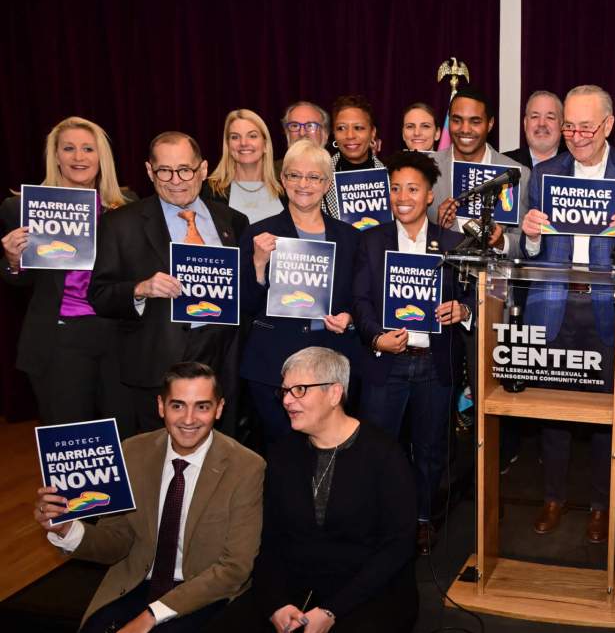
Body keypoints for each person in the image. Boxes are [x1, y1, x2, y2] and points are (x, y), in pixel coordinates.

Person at [187, 347, 417, 633]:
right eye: (284, 391)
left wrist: (330, 611)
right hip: (295, 584)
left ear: (334, 393)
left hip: (370, 590)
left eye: (300, 390)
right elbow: (271, 541)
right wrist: (276, 604)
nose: (287, 401)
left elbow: (398, 548)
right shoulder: (282, 454)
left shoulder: (384, 455)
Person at [34, 362, 264, 633]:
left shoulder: (247, 466)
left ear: (219, 408)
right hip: (139, 579)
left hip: (203, 590)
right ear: (160, 406)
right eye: (177, 405)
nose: (189, 418)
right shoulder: (133, 451)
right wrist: (67, 529)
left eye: (201, 406)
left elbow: (234, 568)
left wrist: (148, 618)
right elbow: (118, 538)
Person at [520, 83, 615, 541]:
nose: (575, 136)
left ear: (609, 125)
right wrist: (531, 233)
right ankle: (553, 498)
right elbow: (531, 252)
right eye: (568, 126)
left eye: (585, 127)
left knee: (606, 412)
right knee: (552, 412)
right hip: (554, 305)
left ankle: (600, 504)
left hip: (607, 308)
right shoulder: (545, 173)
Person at [88, 131, 249, 436]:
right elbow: (99, 294)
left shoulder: (232, 221)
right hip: (159, 364)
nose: (176, 179)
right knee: (159, 461)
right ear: (150, 171)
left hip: (222, 359)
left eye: (185, 169)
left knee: (217, 457)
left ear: (202, 169)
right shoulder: (120, 224)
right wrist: (140, 289)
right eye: (164, 170)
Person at [353, 150, 470, 554]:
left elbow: (474, 297)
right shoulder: (370, 241)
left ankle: (422, 520)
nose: (403, 196)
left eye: (413, 189)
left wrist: (464, 310)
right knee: (378, 447)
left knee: (431, 449)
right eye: (396, 188)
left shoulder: (453, 244)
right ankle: (379, 519)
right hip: (386, 363)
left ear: (430, 195)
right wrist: (374, 338)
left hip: (434, 366)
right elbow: (361, 301)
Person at [1, 116, 133, 425]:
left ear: (101, 157)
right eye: (69, 148)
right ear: (56, 156)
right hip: (60, 338)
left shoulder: (126, 206)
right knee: (69, 443)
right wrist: (13, 259)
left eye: (88, 149)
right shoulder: (23, 207)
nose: (78, 157)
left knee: (124, 438)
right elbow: (20, 280)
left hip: (116, 336)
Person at [238, 140, 362, 446]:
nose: (303, 184)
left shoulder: (351, 238)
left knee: (329, 453)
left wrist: (351, 317)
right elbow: (244, 305)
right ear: (283, 180)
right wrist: (257, 264)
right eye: (294, 175)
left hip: (331, 363)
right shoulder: (258, 233)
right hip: (273, 363)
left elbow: (362, 298)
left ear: (327, 184)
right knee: (279, 456)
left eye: (314, 177)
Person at [430, 86, 528, 254]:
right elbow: (407, 233)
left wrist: (501, 242)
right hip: (441, 274)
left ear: (490, 124)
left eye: (475, 122)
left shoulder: (518, 174)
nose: (465, 129)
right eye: (457, 120)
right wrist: (437, 227)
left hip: (492, 277)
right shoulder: (427, 168)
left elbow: (528, 246)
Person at [204, 108, 284, 223]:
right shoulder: (210, 190)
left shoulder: (284, 189)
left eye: (252, 136)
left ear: (265, 145)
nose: (243, 143)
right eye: (235, 137)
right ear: (228, 146)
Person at [322, 94, 385, 214]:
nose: (350, 135)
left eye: (359, 128)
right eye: (341, 128)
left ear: (372, 132)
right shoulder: (319, 176)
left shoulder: (389, 177)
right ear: (333, 133)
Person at [504, 89, 567, 169]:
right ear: (525, 123)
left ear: (561, 124)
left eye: (550, 117)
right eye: (535, 116)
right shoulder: (503, 165)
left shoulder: (577, 166)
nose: (542, 124)